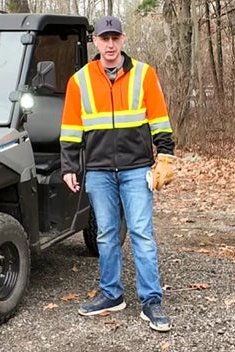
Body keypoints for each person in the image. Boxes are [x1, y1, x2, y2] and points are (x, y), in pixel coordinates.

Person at [59, 16, 176, 332]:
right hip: (97, 171)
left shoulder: (144, 75)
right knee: (106, 236)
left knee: (141, 233)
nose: (110, 45)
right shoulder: (79, 81)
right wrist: (69, 166)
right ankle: (111, 295)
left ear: (123, 40)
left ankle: (151, 301)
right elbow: (71, 128)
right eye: (104, 38)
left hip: (136, 169)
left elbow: (160, 121)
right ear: (94, 42)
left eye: (115, 38)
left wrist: (164, 158)